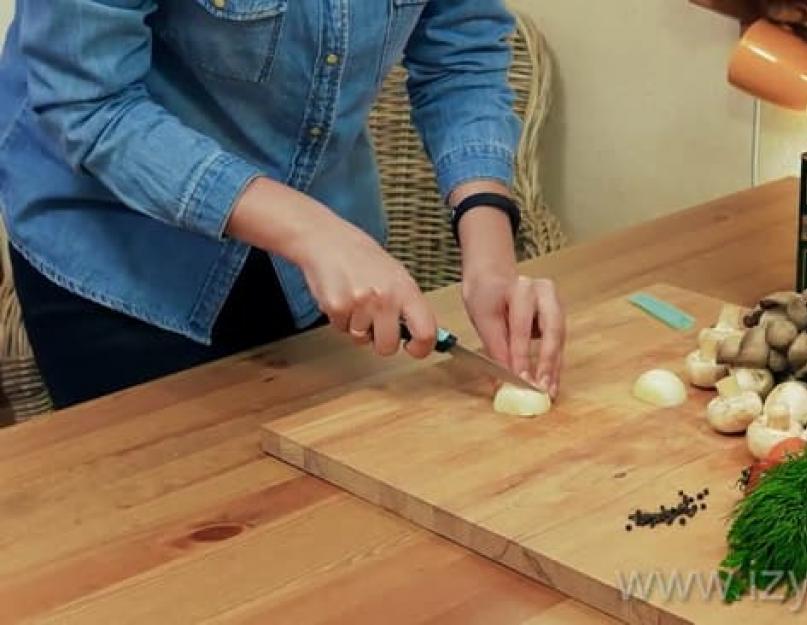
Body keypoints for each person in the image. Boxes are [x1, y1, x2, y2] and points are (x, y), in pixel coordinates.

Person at [0, 0, 565, 409]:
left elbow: (461, 58)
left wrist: (490, 262)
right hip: (127, 259)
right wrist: (312, 232)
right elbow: (89, 106)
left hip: (315, 260)